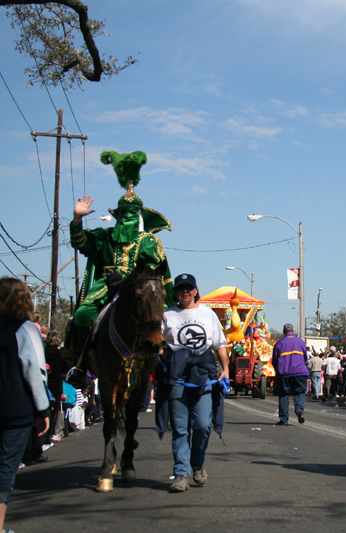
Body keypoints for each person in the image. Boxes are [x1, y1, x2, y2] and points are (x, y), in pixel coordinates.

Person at [69, 150, 175, 369]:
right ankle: (78, 365)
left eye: (132, 212)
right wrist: (77, 219)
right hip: (106, 286)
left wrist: (130, 282)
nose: (127, 216)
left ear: (139, 215)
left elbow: (153, 273)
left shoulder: (149, 241)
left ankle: (161, 359)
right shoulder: (105, 236)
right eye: (123, 212)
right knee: (81, 314)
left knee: (159, 318)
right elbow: (81, 243)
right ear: (117, 215)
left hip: (140, 289)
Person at [158, 273, 229, 493]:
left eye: (189, 288)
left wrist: (225, 368)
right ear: (175, 293)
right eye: (181, 289)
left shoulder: (207, 314)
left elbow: (219, 343)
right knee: (180, 428)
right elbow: (157, 345)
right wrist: (162, 356)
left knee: (202, 425)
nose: (185, 292)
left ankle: (197, 463)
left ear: (196, 291)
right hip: (177, 377)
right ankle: (181, 474)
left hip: (203, 376)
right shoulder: (167, 315)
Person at [0, 278, 50, 533]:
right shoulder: (26, 329)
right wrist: (43, 409)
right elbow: (35, 372)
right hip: (15, 408)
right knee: (5, 469)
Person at [272, 324, 310, 425]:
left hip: (284, 373)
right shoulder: (300, 341)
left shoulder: (279, 343)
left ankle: (283, 419)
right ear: (293, 331)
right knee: (299, 392)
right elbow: (305, 357)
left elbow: (274, 360)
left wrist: (278, 370)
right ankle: (299, 410)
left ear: (284, 332)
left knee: (284, 395)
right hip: (299, 372)